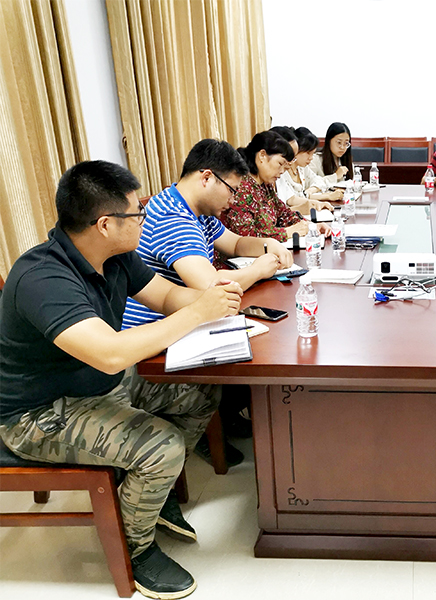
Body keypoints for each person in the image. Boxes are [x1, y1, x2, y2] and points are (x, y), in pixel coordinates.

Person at [0, 161, 245, 599]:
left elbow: (165, 295)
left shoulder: (114, 256)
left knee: (200, 389)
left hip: (97, 386)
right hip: (39, 414)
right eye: (137, 212)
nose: (145, 217)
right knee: (163, 447)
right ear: (105, 224)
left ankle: (152, 495)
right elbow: (110, 353)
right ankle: (138, 549)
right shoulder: (43, 277)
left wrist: (213, 300)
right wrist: (197, 313)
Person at [122, 138, 292, 329]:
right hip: (156, 329)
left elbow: (236, 244)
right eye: (231, 190)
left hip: (182, 319)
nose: (233, 200)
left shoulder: (197, 210)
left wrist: (269, 243)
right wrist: (257, 270)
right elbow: (211, 287)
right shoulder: (172, 217)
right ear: (207, 178)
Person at [220, 131, 331, 246]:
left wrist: (310, 226)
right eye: (280, 164)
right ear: (262, 156)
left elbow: (283, 213)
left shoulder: (265, 185)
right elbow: (246, 237)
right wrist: (287, 232)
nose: (282, 171)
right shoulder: (241, 187)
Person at [275, 126, 341, 210]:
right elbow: (288, 203)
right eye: (308, 153)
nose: (311, 158)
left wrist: (314, 199)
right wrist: (325, 197)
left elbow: (292, 198)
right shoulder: (281, 173)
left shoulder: (301, 168)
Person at [309, 122, 353, 190]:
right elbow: (310, 184)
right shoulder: (315, 160)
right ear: (329, 141)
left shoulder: (346, 161)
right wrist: (335, 176)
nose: (342, 147)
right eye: (339, 142)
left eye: (346, 143)